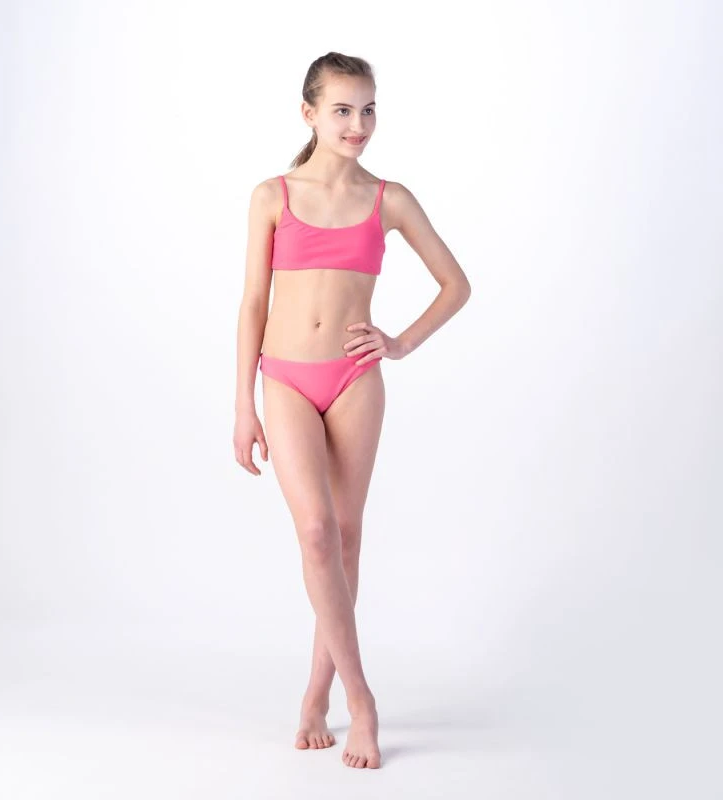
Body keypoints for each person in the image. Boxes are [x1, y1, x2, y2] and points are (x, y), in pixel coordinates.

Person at [233, 51, 471, 770]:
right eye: (342, 110)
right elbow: (253, 303)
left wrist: (399, 342)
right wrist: (242, 404)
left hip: (355, 380)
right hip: (286, 379)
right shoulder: (272, 196)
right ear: (309, 113)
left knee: (344, 535)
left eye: (367, 109)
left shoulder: (387, 198)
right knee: (314, 532)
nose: (357, 124)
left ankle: (317, 692)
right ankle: (361, 698)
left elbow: (456, 284)